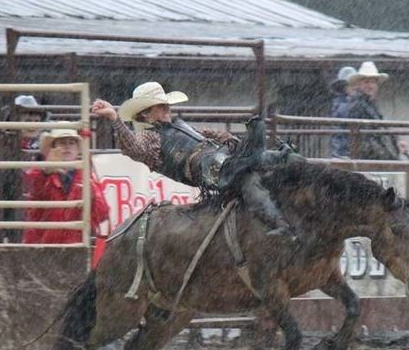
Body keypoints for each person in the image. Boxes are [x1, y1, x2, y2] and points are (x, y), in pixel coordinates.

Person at [91, 81, 296, 240]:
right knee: (241, 172)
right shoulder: (149, 136)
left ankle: (272, 160)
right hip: (201, 168)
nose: (166, 109)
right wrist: (115, 119)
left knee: (252, 168)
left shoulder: (179, 126)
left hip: (215, 157)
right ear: (146, 113)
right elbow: (134, 149)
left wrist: (227, 138)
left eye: (166, 106)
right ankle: (278, 219)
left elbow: (205, 133)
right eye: (161, 107)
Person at [22, 129, 110, 244]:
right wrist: (46, 171)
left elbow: (102, 214)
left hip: (71, 244)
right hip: (43, 244)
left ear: (77, 149)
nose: (67, 147)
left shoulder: (87, 178)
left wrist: (91, 196)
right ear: (52, 149)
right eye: (62, 142)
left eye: (71, 143)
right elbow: (33, 191)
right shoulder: (38, 172)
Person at [346, 61, 409, 160]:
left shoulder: (370, 104)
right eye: (366, 82)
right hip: (366, 156)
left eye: (373, 82)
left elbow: (382, 123)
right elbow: (364, 138)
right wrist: (388, 157)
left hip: (372, 153)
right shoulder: (357, 105)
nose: (370, 86)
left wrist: (397, 140)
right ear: (359, 85)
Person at [329, 65, 356, 158]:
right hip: (343, 150)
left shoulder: (357, 101)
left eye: (354, 83)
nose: (354, 87)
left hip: (353, 147)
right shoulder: (341, 104)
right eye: (350, 84)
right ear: (343, 87)